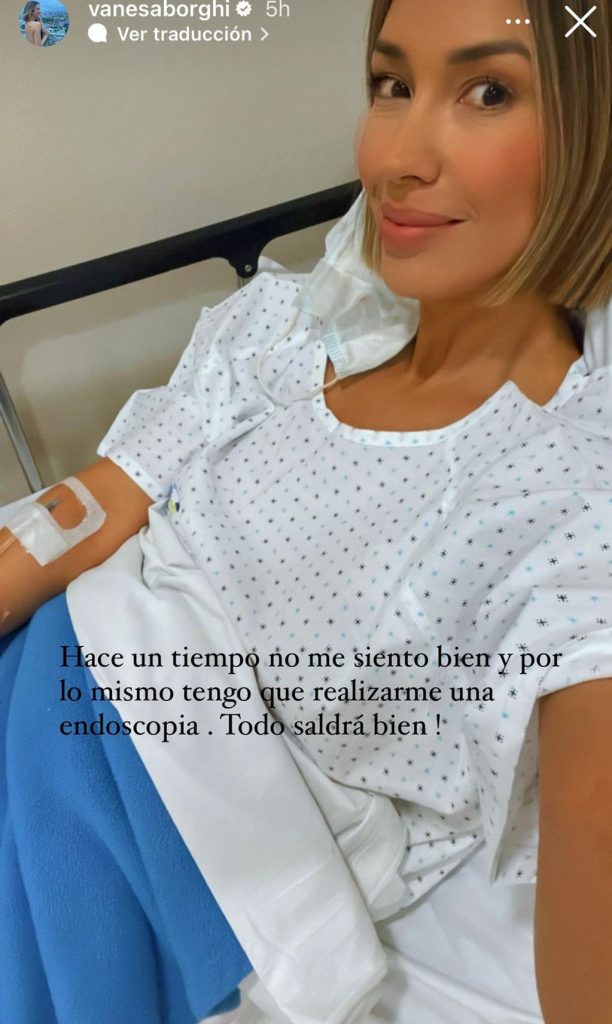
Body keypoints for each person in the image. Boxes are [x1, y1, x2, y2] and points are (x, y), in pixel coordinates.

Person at [1, 0, 611, 1021]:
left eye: (488, 91)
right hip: (45, 670)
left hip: (151, 814)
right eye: (391, 84)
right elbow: (95, 501)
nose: (397, 158)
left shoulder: (563, 505)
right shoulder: (287, 327)